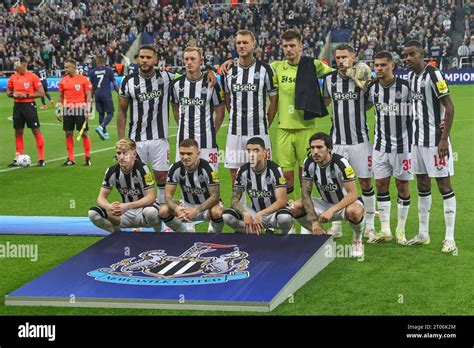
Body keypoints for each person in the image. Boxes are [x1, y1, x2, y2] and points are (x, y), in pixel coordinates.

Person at [403, 40, 457, 253]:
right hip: (417, 143)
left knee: (444, 187)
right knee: (422, 186)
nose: (407, 58)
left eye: (412, 54)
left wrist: (444, 139)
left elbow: (450, 108)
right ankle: (423, 233)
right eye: (405, 55)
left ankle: (450, 238)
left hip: (436, 142)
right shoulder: (411, 77)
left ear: (422, 54)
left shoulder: (434, 74)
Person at [321, 43, 376, 241]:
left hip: (360, 141)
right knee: (335, 183)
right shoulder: (328, 80)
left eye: (345, 57)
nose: (341, 61)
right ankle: (336, 225)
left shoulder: (363, 78)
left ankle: (370, 226)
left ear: (353, 57)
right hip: (336, 142)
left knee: (365, 182)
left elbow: (371, 102)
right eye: (338, 58)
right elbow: (326, 102)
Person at [291, 133, 365, 257]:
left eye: (319, 147)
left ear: (329, 148)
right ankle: (320, 235)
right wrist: (314, 221)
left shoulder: (341, 163)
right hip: (325, 203)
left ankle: (357, 240)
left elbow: (353, 194)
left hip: (345, 204)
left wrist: (332, 210)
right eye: (312, 148)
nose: (315, 151)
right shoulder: (308, 162)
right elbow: (305, 193)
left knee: (355, 211)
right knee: (295, 206)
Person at [117, 45, 173, 205]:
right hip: (136, 140)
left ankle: (165, 216)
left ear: (155, 60)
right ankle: (140, 219)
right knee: (137, 178)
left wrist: (210, 72)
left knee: (162, 177)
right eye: (142, 57)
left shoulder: (166, 77)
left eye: (148, 57)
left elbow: (189, 76)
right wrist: (121, 140)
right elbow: (121, 111)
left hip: (159, 139)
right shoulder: (128, 81)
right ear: (137, 59)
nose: (145, 60)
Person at [366, 51, 412, 244]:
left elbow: (422, 106)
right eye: (376, 65)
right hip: (380, 146)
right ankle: (385, 230)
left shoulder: (405, 87)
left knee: (402, 185)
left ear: (392, 66)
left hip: (403, 146)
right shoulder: (371, 88)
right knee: (381, 185)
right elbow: (364, 106)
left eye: (383, 65)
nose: (379, 68)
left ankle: (400, 230)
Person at [221, 30, 278, 184]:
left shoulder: (266, 70)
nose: (241, 45)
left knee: (263, 172)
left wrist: (266, 123)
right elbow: (227, 98)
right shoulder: (228, 71)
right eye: (238, 43)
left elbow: (274, 101)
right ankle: (240, 208)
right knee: (234, 173)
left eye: (245, 42)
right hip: (235, 131)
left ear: (253, 45)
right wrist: (234, 115)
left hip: (259, 130)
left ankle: (265, 207)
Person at [88, 138, 161, 233]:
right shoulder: (111, 171)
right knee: (93, 213)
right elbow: (100, 198)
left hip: (143, 211)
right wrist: (108, 206)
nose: (121, 157)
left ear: (134, 155)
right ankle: (119, 235)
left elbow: (151, 197)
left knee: (151, 212)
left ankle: (159, 234)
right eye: (118, 153)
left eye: (125, 153)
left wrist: (127, 206)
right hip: (124, 214)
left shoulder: (142, 169)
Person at [222, 137, 293, 234]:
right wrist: (245, 213)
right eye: (249, 151)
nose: (252, 154)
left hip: (273, 214)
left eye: (256, 151)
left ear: (265, 153)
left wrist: (261, 214)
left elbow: (282, 201)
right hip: (254, 213)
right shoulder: (242, 170)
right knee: (227, 216)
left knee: (285, 218)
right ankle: (255, 232)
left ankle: (283, 236)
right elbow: (234, 200)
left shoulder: (275, 169)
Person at [170, 46, 225, 171]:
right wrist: (182, 125)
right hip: (183, 141)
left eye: (193, 59)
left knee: (211, 181)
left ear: (201, 61)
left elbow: (220, 113)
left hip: (207, 143)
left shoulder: (212, 83)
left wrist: (211, 132)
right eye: (186, 59)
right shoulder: (177, 84)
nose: (189, 62)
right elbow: (175, 107)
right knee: (185, 181)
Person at [159, 139, 224, 232]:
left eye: (189, 154)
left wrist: (196, 210)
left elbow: (215, 196)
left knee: (217, 212)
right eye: (182, 153)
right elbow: (168, 195)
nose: (185, 157)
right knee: (163, 210)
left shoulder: (208, 168)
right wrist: (177, 208)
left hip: (206, 207)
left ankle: (215, 235)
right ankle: (183, 232)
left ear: (198, 154)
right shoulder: (175, 168)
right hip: (185, 206)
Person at [6, 57, 46, 167]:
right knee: (18, 132)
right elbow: (8, 90)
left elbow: (41, 93)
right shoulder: (13, 77)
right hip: (17, 106)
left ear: (24, 65)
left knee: (35, 130)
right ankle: (18, 158)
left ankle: (41, 159)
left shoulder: (33, 77)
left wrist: (26, 95)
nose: (15, 66)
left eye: (17, 64)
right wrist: (12, 94)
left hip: (29, 106)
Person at [57, 58, 93, 166]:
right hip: (68, 109)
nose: (65, 69)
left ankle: (87, 157)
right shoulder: (63, 80)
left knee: (84, 133)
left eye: (67, 67)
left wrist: (88, 110)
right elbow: (61, 96)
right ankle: (71, 159)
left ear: (74, 68)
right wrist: (59, 110)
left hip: (80, 108)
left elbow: (88, 96)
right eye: (65, 67)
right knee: (68, 133)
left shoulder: (83, 79)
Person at [88, 56, 120, 140]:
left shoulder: (92, 72)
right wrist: (120, 93)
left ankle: (104, 133)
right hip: (106, 95)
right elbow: (115, 84)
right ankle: (101, 127)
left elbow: (91, 87)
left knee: (101, 113)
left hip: (97, 95)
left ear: (97, 62)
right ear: (104, 62)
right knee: (110, 113)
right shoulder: (108, 70)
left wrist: (91, 99)